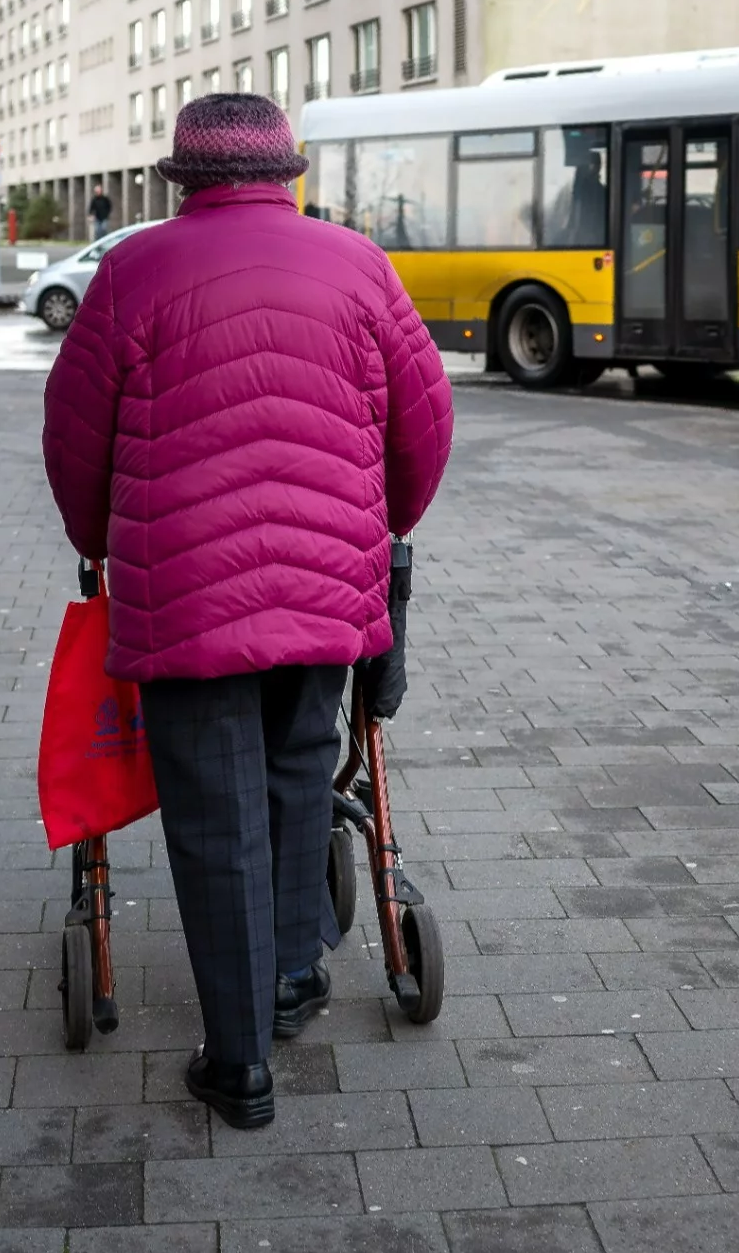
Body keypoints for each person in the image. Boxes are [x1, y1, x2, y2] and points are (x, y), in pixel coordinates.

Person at [43, 93, 454, 1130]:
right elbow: (424, 418)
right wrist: (380, 521)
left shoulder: (133, 270)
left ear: (184, 180)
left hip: (183, 594)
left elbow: (75, 430)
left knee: (213, 816)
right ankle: (285, 981)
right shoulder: (356, 263)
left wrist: (92, 534)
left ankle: (240, 1064)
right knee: (294, 777)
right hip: (325, 587)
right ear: (287, 173)